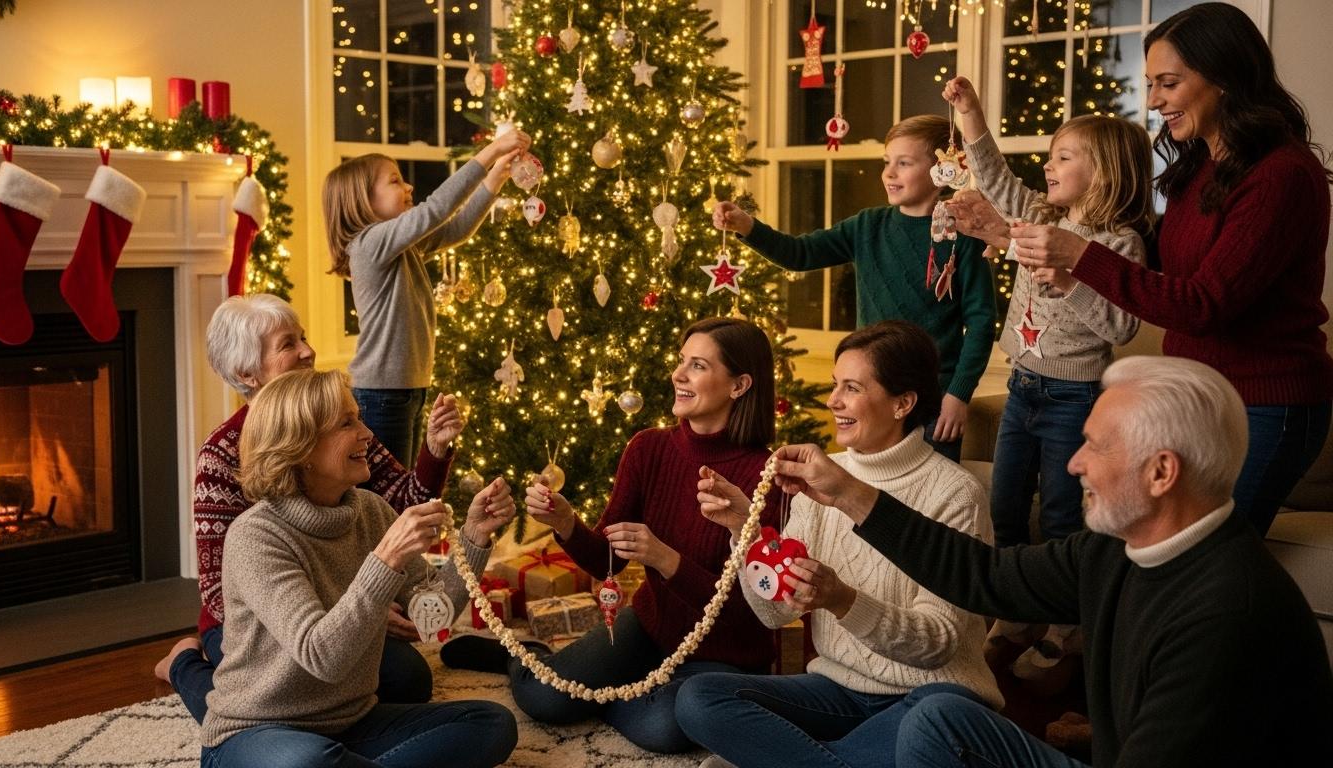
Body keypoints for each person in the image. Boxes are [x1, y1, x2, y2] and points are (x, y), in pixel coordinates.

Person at [771, 355, 1333, 767]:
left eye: (1097, 446)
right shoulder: (1118, 549)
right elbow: (983, 577)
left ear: (1162, 473)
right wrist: (847, 491)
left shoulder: (1227, 611)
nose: (1073, 465)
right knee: (939, 720)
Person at [1008, 2, 1333, 536]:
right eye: (1151, 84)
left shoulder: (1282, 175)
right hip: (1196, 397)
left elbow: (1202, 304)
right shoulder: (1201, 166)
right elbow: (1158, 264)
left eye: (1168, 83)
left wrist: (1079, 255)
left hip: (1265, 408)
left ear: (1223, 78)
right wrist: (1015, 235)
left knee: (1206, 567)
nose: (1154, 100)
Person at [680, 321, 1001, 768]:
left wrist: (843, 600)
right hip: (836, 691)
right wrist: (744, 531)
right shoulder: (822, 472)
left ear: (902, 403)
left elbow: (939, 643)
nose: (833, 401)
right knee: (698, 698)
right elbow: (777, 612)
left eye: (851, 388)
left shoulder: (955, 494)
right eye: (835, 385)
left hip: (929, 699)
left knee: (927, 724)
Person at [154, 293, 468, 722]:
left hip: (337, 619)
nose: (308, 350)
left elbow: (398, 508)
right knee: (273, 696)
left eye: (303, 337)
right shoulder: (222, 455)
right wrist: (356, 615)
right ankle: (182, 664)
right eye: (288, 344)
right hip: (254, 631)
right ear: (248, 373)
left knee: (409, 681)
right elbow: (216, 592)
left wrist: (434, 451)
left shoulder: (338, 427)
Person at [197, 368, 517, 768]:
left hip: (352, 724)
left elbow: (432, 617)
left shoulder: (370, 511)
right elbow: (321, 656)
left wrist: (474, 537)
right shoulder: (255, 536)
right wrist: (386, 559)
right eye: (347, 423)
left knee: (490, 723)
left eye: (360, 418)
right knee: (312, 762)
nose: (367, 433)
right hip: (257, 733)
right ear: (300, 447)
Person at [942, 76, 1154, 675]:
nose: (1050, 165)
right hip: (1022, 387)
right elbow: (995, 179)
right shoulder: (1034, 214)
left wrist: (1070, 280)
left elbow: (1118, 327)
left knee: (1063, 515)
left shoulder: (1120, 242)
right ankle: (1016, 608)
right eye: (1052, 154)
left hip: (1075, 396)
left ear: (1105, 172)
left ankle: (1068, 621)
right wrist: (972, 113)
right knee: (1006, 508)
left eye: (1065, 156)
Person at [508, 317, 782, 754]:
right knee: (543, 697)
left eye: (697, 365)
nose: (678, 374)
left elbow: (753, 612)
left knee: (664, 729)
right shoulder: (648, 448)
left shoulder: (766, 477)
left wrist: (666, 560)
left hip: (725, 654)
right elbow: (606, 562)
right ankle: (528, 655)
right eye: (680, 362)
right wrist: (565, 523)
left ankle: (611, 693)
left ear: (739, 384)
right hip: (652, 628)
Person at [712, 115, 996, 461]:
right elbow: (799, 254)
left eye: (903, 163)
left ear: (941, 171)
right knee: (866, 493)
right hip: (868, 393)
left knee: (928, 498)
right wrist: (747, 226)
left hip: (935, 399)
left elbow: (981, 321)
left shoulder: (963, 236)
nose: (889, 173)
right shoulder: (867, 227)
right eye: (886, 162)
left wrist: (958, 394)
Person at [324, 128, 532, 467]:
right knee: (390, 495)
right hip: (381, 394)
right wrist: (489, 153)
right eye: (394, 182)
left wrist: (496, 177)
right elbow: (434, 211)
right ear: (363, 200)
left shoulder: (401, 248)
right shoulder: (369, 244)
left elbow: (456, 228)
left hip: (404, 390)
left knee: (399, 486)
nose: (408, 188)